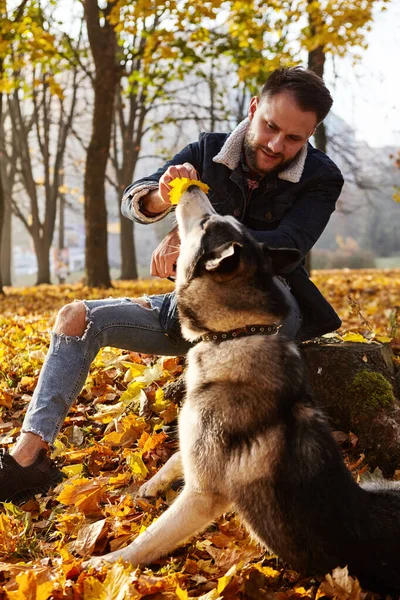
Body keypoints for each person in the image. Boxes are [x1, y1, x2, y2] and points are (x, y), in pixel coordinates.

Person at [0, 66, 344, 502]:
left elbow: (290, 246)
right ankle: (27, 459)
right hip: (190, 308)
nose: (277, 144)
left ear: (311, 134)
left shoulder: (322, 176)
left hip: (267, 311)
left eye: (294, 138)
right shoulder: (208, 150)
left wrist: (196, 237)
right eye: (271, 126)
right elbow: (134, 200)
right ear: (255, 108)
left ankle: (230, 468)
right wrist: (163, 197)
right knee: (75, 318)